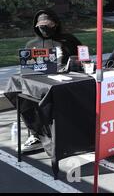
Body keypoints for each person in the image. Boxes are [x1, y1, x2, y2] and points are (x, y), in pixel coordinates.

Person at [20, 9, 82, 153]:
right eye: (40, 25)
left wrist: (76, 63)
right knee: (23, 96)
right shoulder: (31, 44)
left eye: (48, 24)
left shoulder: (69, 39)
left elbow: (83, 56)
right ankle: (37, 133)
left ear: (55, 24)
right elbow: (27, 67)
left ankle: (71, 132)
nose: (44, 28)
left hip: (66, 81)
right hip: (40, 83)